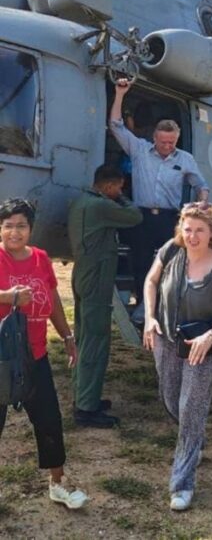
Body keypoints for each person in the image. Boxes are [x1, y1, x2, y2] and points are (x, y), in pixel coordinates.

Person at [142, 203, 212, 511]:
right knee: (172, 400)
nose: (192, 236)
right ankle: (194, 441)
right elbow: (151, 281)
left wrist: (211, 335)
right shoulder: (172, 251)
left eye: (200, 230)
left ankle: (182, 484)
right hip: (167, 340)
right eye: (187, 229)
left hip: (203, 348)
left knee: (190, 409)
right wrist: (149, 317)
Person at [0, 198, 88, 509]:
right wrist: (8, 296)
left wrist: (66, 335)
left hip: (35, 354)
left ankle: (58, 483)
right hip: (1, 359)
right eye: (8, 225)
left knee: (49, 419)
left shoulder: (40, 258)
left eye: (21, 225)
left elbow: (50, 297)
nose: (14, 232)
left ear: (31, 229)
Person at [109, 78, 209, 308]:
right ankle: (144, 304)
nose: (167, 146)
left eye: (172, 142)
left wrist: (202, 203)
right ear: (154, 137)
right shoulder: (139, 150)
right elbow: (116, 125)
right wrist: (120, 94)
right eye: (163, 141)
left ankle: (168, 305)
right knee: (141, 261)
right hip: (141, 216)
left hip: (168, 218)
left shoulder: (185, 159)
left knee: (171, 262)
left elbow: (200, 184)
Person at [68, 165, 143, 428]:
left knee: (84, 336)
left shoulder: (82, 201)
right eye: (118, 188)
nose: (119, 192)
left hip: (82, 274)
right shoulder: (101, 206)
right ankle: (86, 409)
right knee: (96, 340)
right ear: (110, 186)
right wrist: (123, 198)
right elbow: (134, 216)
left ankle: (82, 396)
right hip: (96, 277)